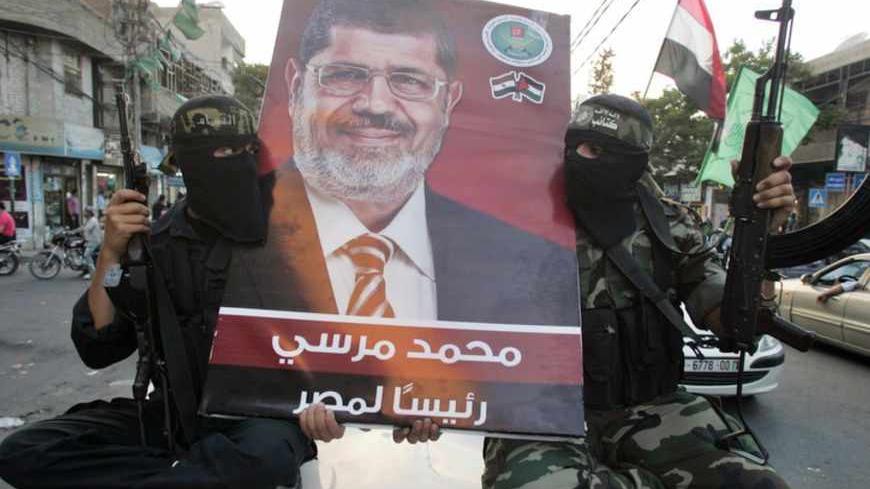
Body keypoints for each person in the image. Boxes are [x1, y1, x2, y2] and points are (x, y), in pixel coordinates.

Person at [0, 96, 335, 489]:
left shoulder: (289, 239)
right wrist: (111, 252)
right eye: (218, 153)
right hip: (173, 415)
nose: (232, 162)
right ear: (185, 165)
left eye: (243, 150)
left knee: (263, 457)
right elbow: (99, 345)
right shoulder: (157, 243)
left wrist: (345, 404)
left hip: (263, 419)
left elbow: (347, 344)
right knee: (26, 450)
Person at [481, 94, 797, 488]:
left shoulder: (671, 226)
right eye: (572, 146)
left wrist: (763, 235)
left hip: (653, 410)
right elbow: (443, 323)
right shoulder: (517, 220)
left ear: (634, 162)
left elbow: (735, 324)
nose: (578, 157)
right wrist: (414, 400)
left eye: (596, 150)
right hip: (541, 416)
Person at [225, 0, 577, 328]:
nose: (376, 105)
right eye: (346, 74)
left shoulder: (520, 263)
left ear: (448, 102)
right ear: (296, 85)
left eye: (409, 80)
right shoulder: (228, 232)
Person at [76, 207, 102, 280]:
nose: (84, 213)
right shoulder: (89, 220)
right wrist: (72, 231)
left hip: (94, 241)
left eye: (85, 212)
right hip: (89, 241)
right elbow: (83, 227)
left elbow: (86, 229)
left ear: (89, 213)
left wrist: (80, 231)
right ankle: (84, 269)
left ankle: (93, 274)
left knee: (87, 255)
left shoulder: (93, 220)